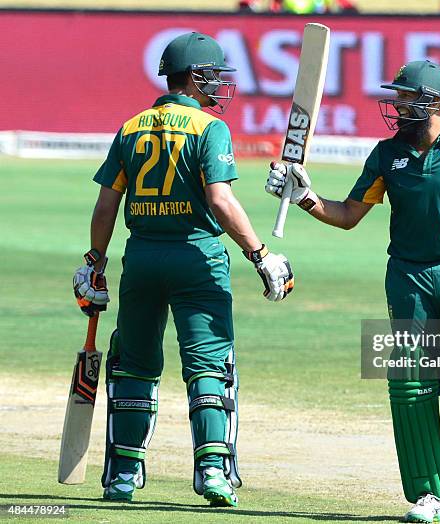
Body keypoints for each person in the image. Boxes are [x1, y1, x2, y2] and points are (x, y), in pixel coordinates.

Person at [265, 61, 440, 522]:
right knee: (411, 385)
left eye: (406, 97)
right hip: (407, 279)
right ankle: (427, 494)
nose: (397, 105)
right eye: (396, 97)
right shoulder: (386, 155)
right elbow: (347, 215)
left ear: (436, 103)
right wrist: (303, 197)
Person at [72, 32, 294, 507]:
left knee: (134, 363)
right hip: (198, 258)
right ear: (194, 78)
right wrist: (260, 254)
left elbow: (106, 202)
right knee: (209, 366)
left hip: (142, 257)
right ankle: (212, 471)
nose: (219, 85)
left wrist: (94, 261)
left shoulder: (131, 127)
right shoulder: (209, 128)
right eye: (213, 76)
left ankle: (124, 477)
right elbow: (220, 199)